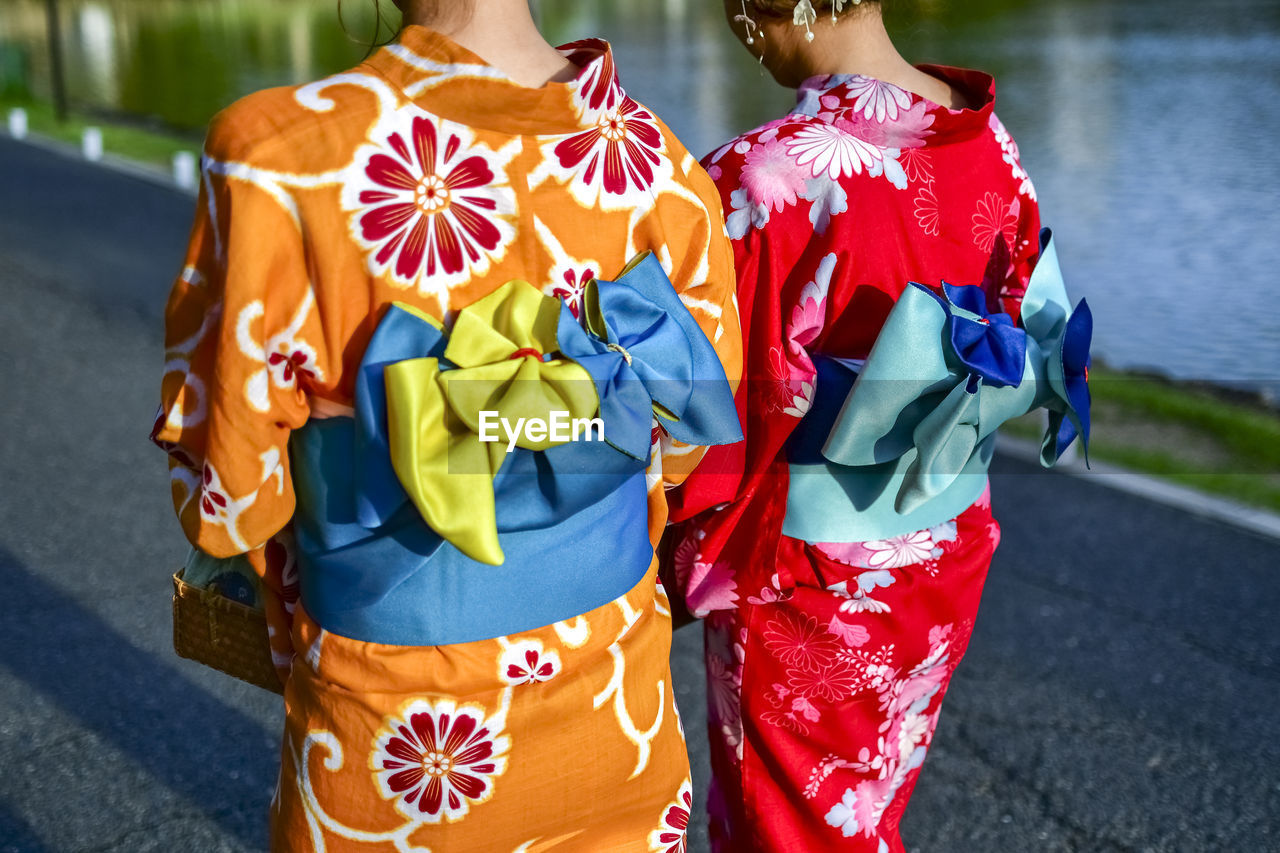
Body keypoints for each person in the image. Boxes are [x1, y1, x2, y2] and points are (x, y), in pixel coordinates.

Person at [150, 0, 743, 849]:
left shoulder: (279, 161)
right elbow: (683, 449)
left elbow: (228, 501)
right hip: (617, 716)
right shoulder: (660, 167)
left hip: (400, 741)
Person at [665, 1, 1089, 850]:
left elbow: (708, 414)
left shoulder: (763, 177)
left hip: (814, 581)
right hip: (946, 542)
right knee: (864, 812)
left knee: (786, 828)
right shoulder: (986, 141)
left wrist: (658, 556)